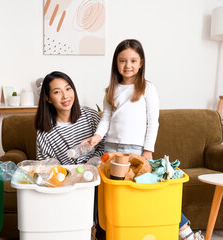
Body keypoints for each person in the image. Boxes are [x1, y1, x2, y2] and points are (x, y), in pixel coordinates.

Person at [83, 39, 204, 240]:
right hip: (112, 150)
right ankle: (107, 232)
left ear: (141, 63)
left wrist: (147, 150)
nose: (127, 65)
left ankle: (185, 232)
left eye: (132, 61)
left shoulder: (148, 89)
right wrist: (97, 136)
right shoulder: (111, 90)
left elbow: (153, 122)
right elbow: (105, 117)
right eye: (122, 61)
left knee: (150, 192)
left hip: (136, 151)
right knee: (111, 192)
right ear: (116, 63)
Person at [35, 71, 105, 164]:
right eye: (57, 92)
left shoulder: (90, 116)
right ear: (48, 98)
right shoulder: (45, 132)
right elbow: (46, 165)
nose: (65, 96)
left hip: (96, 172)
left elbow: (105, 146)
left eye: (68, 89)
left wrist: (89, 165)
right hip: (65, 176)